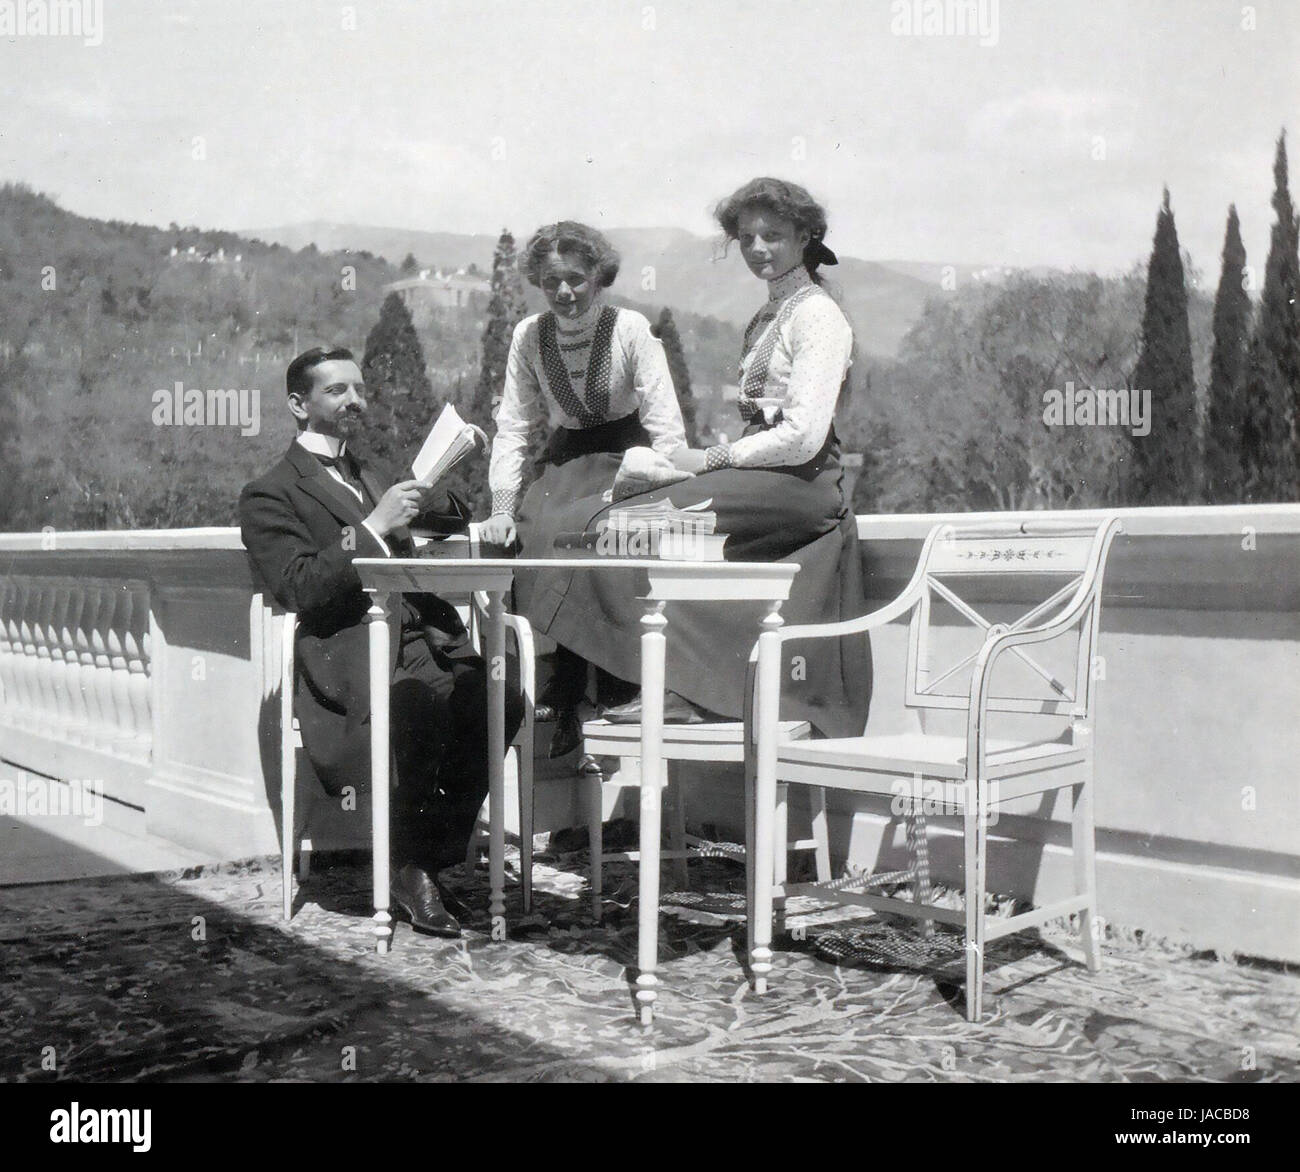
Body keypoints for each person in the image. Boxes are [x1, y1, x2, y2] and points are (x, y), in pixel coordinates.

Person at [518, 178, 872, 738]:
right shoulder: (773, 312)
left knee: (623, 527)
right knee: (596, 524)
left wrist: (708, 460)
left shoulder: (818, 315)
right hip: (762, 475)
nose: (757, 249)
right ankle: (637, 683)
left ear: (805, 236)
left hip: (801, 482)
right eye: (747, 237)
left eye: (773, 236)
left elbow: (803, 436)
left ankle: (680, 686)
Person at [239, 347, 521, 939]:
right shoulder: (270, 493)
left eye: (359, 390)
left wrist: (430, 493)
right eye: (337, 391)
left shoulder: (369, 471)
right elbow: (298, 586)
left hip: (423, 632)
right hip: (349, 646)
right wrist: (371, 529)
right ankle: (408, 866)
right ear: (299, 405)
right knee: (420, 703)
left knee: (500, 701)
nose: (355, 401)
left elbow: (445, 516)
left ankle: (424, 859)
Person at [480, 221, 688, 758]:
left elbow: (666, 421)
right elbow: (515, 426)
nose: (565, 293)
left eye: (575, 279)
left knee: (591, 533)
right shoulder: (529, 335)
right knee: (535, 529)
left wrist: (668, 478)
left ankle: (608, 684)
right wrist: (502, 506)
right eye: (551, 282)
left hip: (627, 456)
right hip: (566, 458)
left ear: (598, 276)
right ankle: (561, 686)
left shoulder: (630, 329)